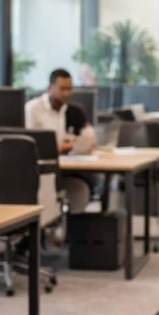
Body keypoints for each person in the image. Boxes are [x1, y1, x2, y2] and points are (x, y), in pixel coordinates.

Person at [24, 68, 97, 212]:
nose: (66, 93)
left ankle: (71, 225)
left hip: (66, 167)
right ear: (49, 88)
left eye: (69, 89)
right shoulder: (33, 109)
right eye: (62, 88)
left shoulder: (72, 110)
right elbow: (30, 145)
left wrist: (86, 140)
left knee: (86, 183)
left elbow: (88, 135)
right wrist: (59, 147)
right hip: (40, 168)